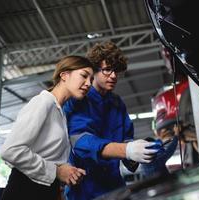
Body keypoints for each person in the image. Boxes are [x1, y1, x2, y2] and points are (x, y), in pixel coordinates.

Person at [63, 41, 159, 200]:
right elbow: (81, 143)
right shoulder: (78, 100)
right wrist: (127, 150)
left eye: (117, 71)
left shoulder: (117, 103)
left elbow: (127, 139)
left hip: (116, 188)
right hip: (85, 191)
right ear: (93, 70)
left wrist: (143, 151)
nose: (113, 76)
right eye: (107, 70)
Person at [0, 55, 97, 200]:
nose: (89, 83)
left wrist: (67, 172)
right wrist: (57, 172)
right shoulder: (43, 102)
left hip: (46, 189)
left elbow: (50, 156)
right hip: (24, 191)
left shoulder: (60, 112)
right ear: (64, 75)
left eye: (91, 79)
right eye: (84, 76)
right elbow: (10, 151)